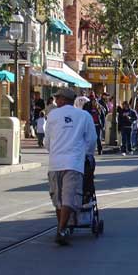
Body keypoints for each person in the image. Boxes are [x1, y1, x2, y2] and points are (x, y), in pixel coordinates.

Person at [44, 88, 96, 245]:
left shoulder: (52, 115)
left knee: (58, 198)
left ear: (63, 100)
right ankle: (62, 229)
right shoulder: (84, 116)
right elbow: (91, 139)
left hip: (55, 163)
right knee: (69, 197)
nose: (56, 101)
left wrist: (54, 151)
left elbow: (47, 141)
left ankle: (62, 228)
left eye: (58, 98)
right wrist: (85, 155)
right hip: (74, 163)